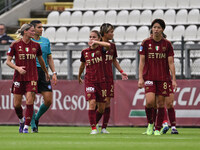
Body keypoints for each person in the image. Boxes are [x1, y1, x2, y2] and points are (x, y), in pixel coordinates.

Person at [6, 24, 50, 133]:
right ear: (25, 31)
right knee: (17, 105)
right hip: (19, 78)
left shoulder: (36, 45)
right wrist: (18, 68)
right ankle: (21, 120)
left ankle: (26, 127)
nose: (34, 32)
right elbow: (8, 61)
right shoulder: (15, 44)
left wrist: (46, 72)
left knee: (30, 101)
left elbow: (41, 60)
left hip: (32, 77)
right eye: (31, 31)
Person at [138, 19, 177, 136]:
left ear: (163, 29)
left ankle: (157, 128)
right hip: (149, 77)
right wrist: (140, 78)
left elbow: (171, 63)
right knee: (149, 102)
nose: (156, 29)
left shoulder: (167, 44)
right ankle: (150, 123)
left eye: (158, 27)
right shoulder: (145, 43)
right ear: (151, 29)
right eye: (154, 27)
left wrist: (173, 79)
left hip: (163, 78)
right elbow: (142, 62)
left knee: (161, 104)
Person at [95, 23, 128, 134]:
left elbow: (114, 60)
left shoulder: (112, 46)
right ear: (104, 33)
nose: (112, 34)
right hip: (98, 78)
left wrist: (122, 71)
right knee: (100, 105)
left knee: (108, 102)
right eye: (111, 32)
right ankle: (93, 124)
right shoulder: (96, 46)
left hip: (109, 78)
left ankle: (104, 127)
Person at [78, 30, 111, 134]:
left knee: (101, 108)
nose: (91, 39)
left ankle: (95, 122)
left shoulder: (101, 49)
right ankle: (93, 128)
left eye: (94, 37)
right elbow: (82, 65)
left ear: (99, 38)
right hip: (90, 81)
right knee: (92, 103)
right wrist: (79, 76)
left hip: (101, 81)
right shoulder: (85, 52)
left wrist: (97, 43)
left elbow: (108, 45)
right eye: (90, 37)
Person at [29, 20, 57, 133]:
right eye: (39, 27)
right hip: (31, 72)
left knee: (48, 100)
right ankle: (33, 126)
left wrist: (53, 73)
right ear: (33, 29)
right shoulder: (27, 41)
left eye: (42, 27)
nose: (42, 29)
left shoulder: (46, 41)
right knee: (31, 98)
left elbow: (49, 58)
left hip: (43, 71)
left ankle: (35, 118)